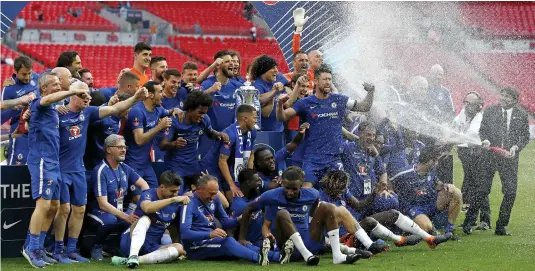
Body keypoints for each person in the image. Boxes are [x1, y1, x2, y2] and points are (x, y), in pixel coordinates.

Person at [50, 82, 148, 263]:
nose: (87, 97)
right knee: (63, 210)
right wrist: (30, 113)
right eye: (82, 94)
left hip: (79, 170)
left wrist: (135, 98)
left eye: (88, 94)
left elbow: (115, 109)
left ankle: (71, 250)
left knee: (79, 210)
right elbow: (36, 115)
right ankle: (57, 250)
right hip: (61, 169)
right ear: (72, 95)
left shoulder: (88, 112)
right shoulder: (57, 113)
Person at [22, 71, 89, 268]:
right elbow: (48, 99)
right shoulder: (40, 102)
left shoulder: (54, 109)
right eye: (55, 84)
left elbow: (53, 101)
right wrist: (71, 90)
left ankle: (39, 247)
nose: (59, 87)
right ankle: (31, 248)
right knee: (43, 206)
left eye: (60, 84)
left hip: (54, 163)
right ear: (44, 88)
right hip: (42, 161)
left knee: (53, 207)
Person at [276, 64, 375, 188]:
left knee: (338, 192)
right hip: (313, 159)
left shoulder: (339, 99)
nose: (328, 82)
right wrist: (279, 105)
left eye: (330, 79)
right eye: (325, 79)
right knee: (306, 191)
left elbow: (364, 107)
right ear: (316, 81)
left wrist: (371, 92)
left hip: (334, 159)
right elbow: (282, 117)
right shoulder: (305, 103)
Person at [240, 167, 362, 265]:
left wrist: (313, 221)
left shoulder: (312, 194)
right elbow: (248, 209)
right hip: (288, 246)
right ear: (282, 183)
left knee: (328, 206)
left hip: (309, 240)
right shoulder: (271, 197)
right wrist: (242, 238)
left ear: (301, 185)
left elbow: (315, 204)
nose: (290, 192)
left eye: (294, 189)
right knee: (283, 213)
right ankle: (307, 255)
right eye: (287, 188)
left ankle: (338, 256)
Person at [319, 170, 452, 250]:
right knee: (369, 221)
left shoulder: (343, 192)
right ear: (330, 186)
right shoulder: (320, 200)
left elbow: (359, 206)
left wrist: (373, 194)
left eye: (344, 189)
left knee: (393, 214)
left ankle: (430, 239)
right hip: (344, 239)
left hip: (357, 230)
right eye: (339, 189)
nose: (342, 192)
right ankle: (399, 240)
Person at [463, 87, 530, 236]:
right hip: (489, 157)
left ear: (514, 99)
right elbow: (483, 130)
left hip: (509, 159)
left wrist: (516, 147)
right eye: (502, 95)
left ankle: (501, 226)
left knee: (510, 192)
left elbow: (525, 136)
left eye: (507, 96)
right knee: (482, 190)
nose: (503, 98)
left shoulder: (521, 114)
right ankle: (468, 222)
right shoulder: (490, 111)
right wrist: (485, 140)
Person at [179, 174, 283, 266]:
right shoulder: (189, 204)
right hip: (195, 247)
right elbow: (184, 234)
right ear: (200, 189)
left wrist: (238, 219)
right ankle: (259, 258)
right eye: (211, 193)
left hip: (211, 241)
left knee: (242, 244)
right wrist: (210, 234)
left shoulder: (215, 200)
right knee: (228, 241)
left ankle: (277, 256)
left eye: (216, 193)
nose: (214, 197)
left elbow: (226, 222)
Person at [88, 134, 150, 260]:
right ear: (109, 149)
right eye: (120, 147)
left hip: (118, 212)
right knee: (111, 220)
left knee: (138, 217)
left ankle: (113, 246)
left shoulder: (124, 168)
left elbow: (144, 185)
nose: (124, 150)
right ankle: (96, 246)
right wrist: (126, 216)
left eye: (125, 147)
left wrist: (144, 204)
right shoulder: (101, 170)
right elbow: (103, 204)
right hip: (98, 212)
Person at [112, 171, 190, 268]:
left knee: (179, 248)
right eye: (172, 191)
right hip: (131, 242)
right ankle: (133, 255)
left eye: (177, 191)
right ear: (162, 187)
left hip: (151, 246)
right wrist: (172, 200)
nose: (175, 194)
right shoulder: (149, 194)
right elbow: (147, 208)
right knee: (145, 219)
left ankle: (133, 260)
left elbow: (173, 228)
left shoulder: (176, 202)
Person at [160, 91, 228, 194]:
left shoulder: (204, 120)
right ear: (190, 108)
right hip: (176, 168)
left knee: (212, 192)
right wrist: (174, 144)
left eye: (204, 113)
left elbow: (209, 132)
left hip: (194, 167)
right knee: (179, 198)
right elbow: (162, 145)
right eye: (200, 112)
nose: (202, 116)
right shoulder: (175, 121)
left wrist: (219, 134)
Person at [124, 81, 181, 194]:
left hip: (146, 164)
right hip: (133, 164)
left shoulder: (158, 109)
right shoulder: (137, 111)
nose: (163, 94)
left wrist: (175, 110)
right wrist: (159, 127)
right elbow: (139, 140)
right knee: (140, 201)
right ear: (150, 95)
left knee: (157, 195)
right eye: (160, 92)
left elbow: (167, 112)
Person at [389, 147, 462, 236]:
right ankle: (412, 227)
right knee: (426, 227)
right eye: (435, 160)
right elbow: (389, 182)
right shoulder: (404, 173)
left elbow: (436, 183)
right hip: (414, 208)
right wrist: (391, 192)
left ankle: (449, 229)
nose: (437, 163)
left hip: (430, 203)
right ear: (429, 161)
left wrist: (445, 185)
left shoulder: (431, 171)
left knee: (456, 192)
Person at [201, 104, 257, 201]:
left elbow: (251, 155)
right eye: (254, 118)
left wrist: (249, 176)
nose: (256, 121)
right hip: (212, 166)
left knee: (233, 198)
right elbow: (221, 161)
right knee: (222, 202)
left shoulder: (252, 131)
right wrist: (232, 185)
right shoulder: (230, 134)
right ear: (246, 119)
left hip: (228, 166)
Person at [454, 92, 491, 230]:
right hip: (465, 154)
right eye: (465, 102)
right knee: (472, 185)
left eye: (470, 103)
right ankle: (472, 219)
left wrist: (456, 137)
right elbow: (455, 124)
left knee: (478, 186)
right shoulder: (463, 113)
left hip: (477, 155)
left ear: (478, 106)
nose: (466, 105)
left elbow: (471, 134)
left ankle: (484, 220)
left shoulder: (479, 117)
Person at [199, 50, 243, 157]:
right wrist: (210, 91)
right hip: (209, 139)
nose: (232, 64)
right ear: (218, 66)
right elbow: (196, 104)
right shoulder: (207, 84)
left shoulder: (237, 86)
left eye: (232, 61)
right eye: (227, 61)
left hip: (229, 138)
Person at [1, 56, 39, 166]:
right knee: (16, 168)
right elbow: (1, 117)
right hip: (20, 132)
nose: (27, 77)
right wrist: (16, 106)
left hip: (38, 129)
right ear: (15, 71)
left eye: (29, 73)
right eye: (24, 74)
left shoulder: (36, 78)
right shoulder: (8, 89)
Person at [251, 122, 308, 193]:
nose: (272, 161)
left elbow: (294, 143)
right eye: (267, 159)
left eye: (272, 157)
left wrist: (301, 133)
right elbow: (273, 186)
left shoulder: (278, 157)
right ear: (259, 162)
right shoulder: (257, 177)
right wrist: (284, 181)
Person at [251, 55, 286, 131]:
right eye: (272, 67)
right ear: (264, 70)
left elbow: (288, 87)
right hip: (265, 133)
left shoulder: (277, 78)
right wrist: (274, 92)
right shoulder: (257, 86)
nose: (276, 70)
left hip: (279, 130)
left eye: (276, 67)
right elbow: (265, 113)